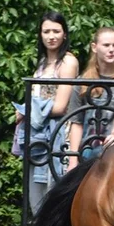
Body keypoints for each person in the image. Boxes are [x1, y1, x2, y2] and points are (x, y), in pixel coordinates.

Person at [23, 11, 78, 214]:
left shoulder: (68, 62)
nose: (51, 36)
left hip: (60, 134)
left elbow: (61, 106)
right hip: (39, 134)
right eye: (46, 31)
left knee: (54, 194)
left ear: (64, 34)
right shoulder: (42, 63)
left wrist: (27, 110)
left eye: (56, 31)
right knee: (35, 197)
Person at [66, 27, 114, 168]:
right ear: (94, 47)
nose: (111, 50)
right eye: (106, 45)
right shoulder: (82, 80)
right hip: (86, 148)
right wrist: (72, 160)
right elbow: (76, 122)